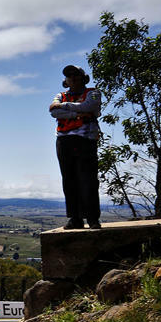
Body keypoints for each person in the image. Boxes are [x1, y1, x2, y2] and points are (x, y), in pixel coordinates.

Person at [49, 65, 102, 229]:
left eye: (76, 75)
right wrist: (77, 114)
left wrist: (64, 107)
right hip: (64, 141)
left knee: (88, 179)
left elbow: (88, 106)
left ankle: (92, 218)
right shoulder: (61, 95)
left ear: (83, 78)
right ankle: (75, 218)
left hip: (86, 139)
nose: (72, 78)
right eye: (69, 76)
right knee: (69, 180)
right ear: (65, 80)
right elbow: (53, 112)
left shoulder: (93, 93)